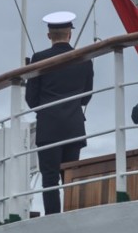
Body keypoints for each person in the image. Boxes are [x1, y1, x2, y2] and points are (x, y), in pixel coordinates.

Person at [25, 11, 94, 214]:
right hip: (73, 125)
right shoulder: (84, 60)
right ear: (69, 34)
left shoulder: (39, 59)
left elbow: (31, 99)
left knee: (50, 178)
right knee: (71, 176)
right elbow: (86, 96)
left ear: (49, 35)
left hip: (48, 127)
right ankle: (72, 214)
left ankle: (53, 217)